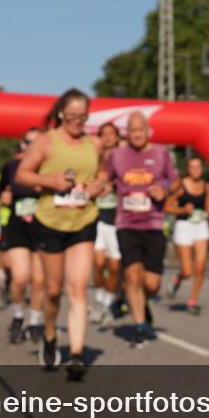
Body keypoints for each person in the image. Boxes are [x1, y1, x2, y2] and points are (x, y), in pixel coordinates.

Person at [16, 90, 107, 379]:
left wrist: (98, 185)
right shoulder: (46, 141)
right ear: (60, 115)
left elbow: (104, 173)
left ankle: (77, 354)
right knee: (53, 291)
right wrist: (50, 180)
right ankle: (50, 334)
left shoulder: (95, 143)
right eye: (72, 117)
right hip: (51, 222)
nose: (78, 122)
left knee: (78, 289)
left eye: (83, 117)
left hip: (84, 220)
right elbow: (22, 175)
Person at [107, 111, 179, 348]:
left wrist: (165, 190)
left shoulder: (161, 153)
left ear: (147, 131)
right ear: (127, 132)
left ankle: (140, 301)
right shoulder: (116, 155)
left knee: (151, 283)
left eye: (141, 130)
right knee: (132, 274)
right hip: (126, 223)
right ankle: (140, 325)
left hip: (154, 223)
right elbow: (104, 179)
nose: (137, 134)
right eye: (132, 130)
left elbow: (175, 181)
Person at [0, 129, 47, 344]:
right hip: (17, 227)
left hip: (44, 227)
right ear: (22, 144)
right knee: (20, 277)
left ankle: (35, 320)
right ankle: (18, 315)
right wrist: (3, 196)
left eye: (38, 143)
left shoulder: (50, 168)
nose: (32, 147)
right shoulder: (11, 167)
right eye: (28, 142)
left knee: (39, 280)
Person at [166, 157, 209, 314]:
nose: (196, 170)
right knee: (187, 271)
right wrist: (182, 210)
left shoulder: (207, 186)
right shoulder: (180, 186)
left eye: (199, 167)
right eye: (193, 167)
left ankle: (192, 301)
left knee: (200, 268)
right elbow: (167, 207)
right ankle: (178, 279)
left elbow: (208, 205)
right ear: (188, 169)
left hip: (200, 226)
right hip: (184, 226)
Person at [91, 122, 123, 324]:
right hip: (97, 217)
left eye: (112, 134)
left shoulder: (124, 158)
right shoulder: (94, 160)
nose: (108, 138)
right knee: (98, 263)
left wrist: (114, 186)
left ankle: (109, 301)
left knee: (114, 265)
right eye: (104, 134)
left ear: (118, 137)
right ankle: (100, 299)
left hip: (118, 219)